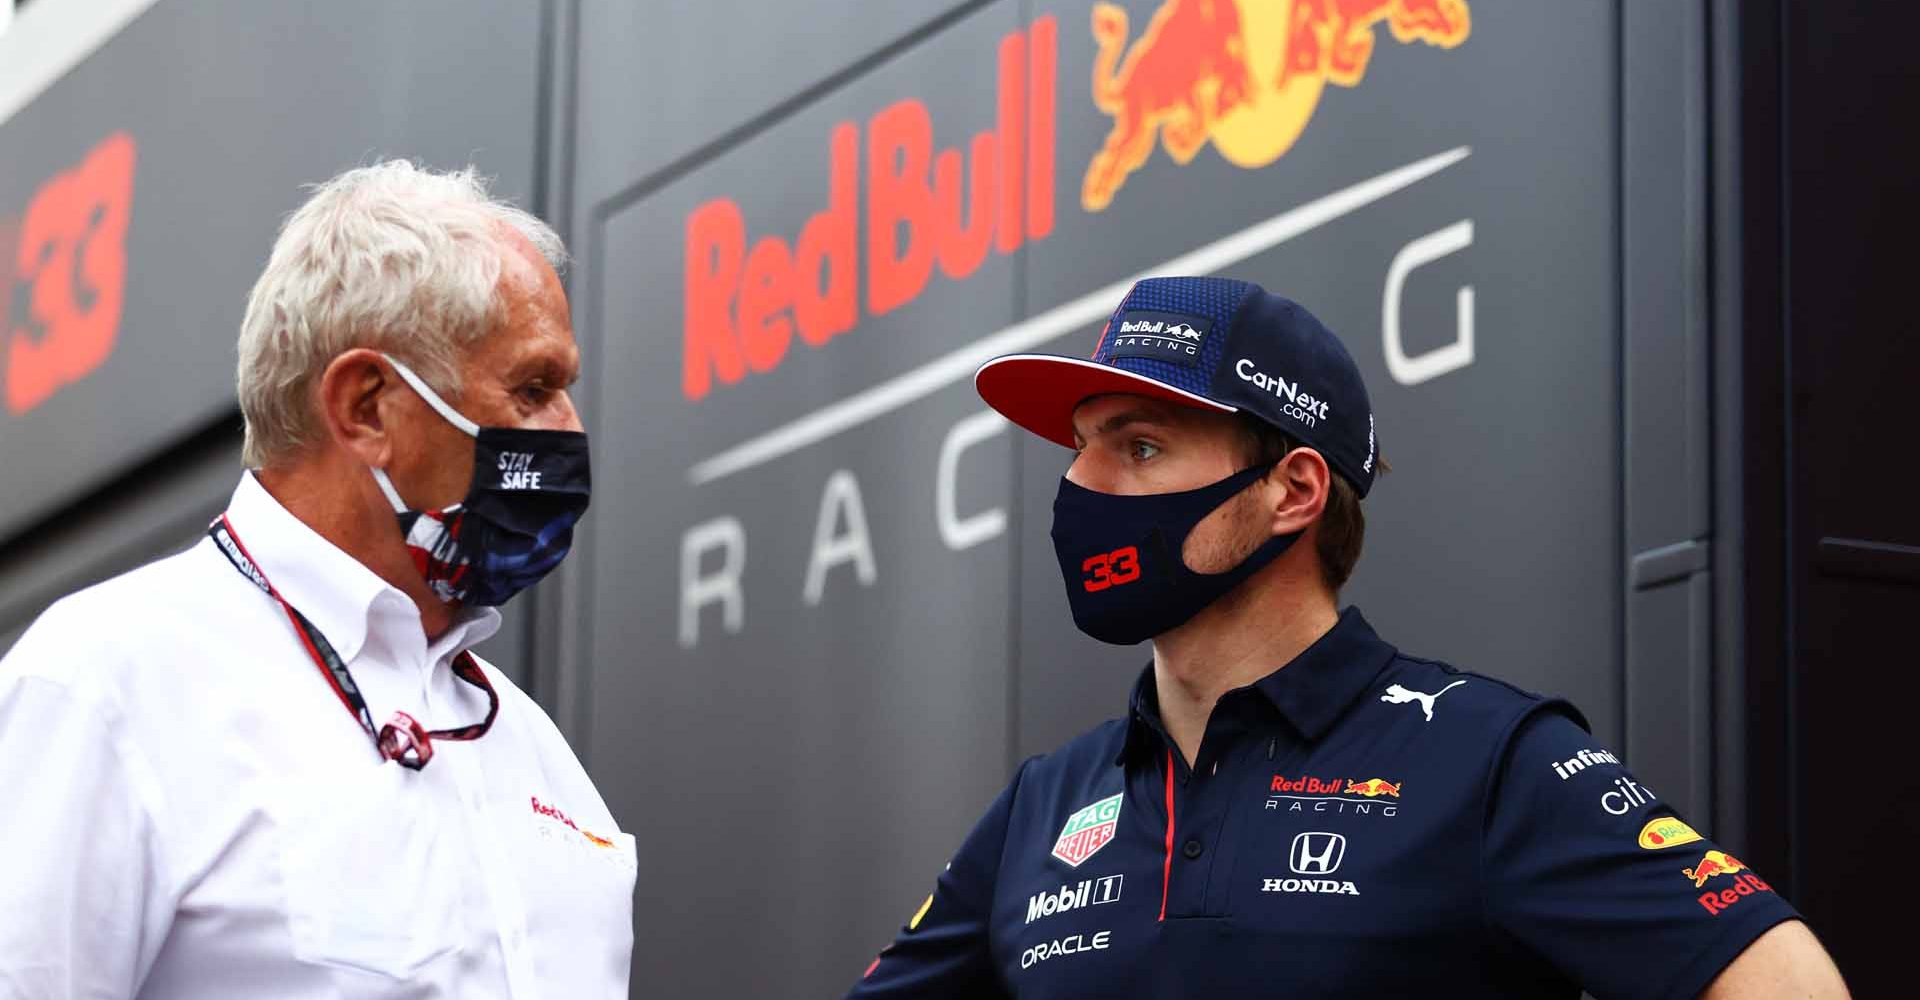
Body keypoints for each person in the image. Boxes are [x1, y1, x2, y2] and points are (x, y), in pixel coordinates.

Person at [845, 276, 1848, 998]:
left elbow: (1787, 981)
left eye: (1140, 446)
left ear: (1293, 490)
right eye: (1080, 448)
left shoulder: (1482, 757)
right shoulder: (1041, 807)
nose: (1080, 486)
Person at [0, 161, 634, 999]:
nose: (570, 431)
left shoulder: (537, 754)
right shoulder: (106, 684)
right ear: (367, 405)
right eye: (534, 388)